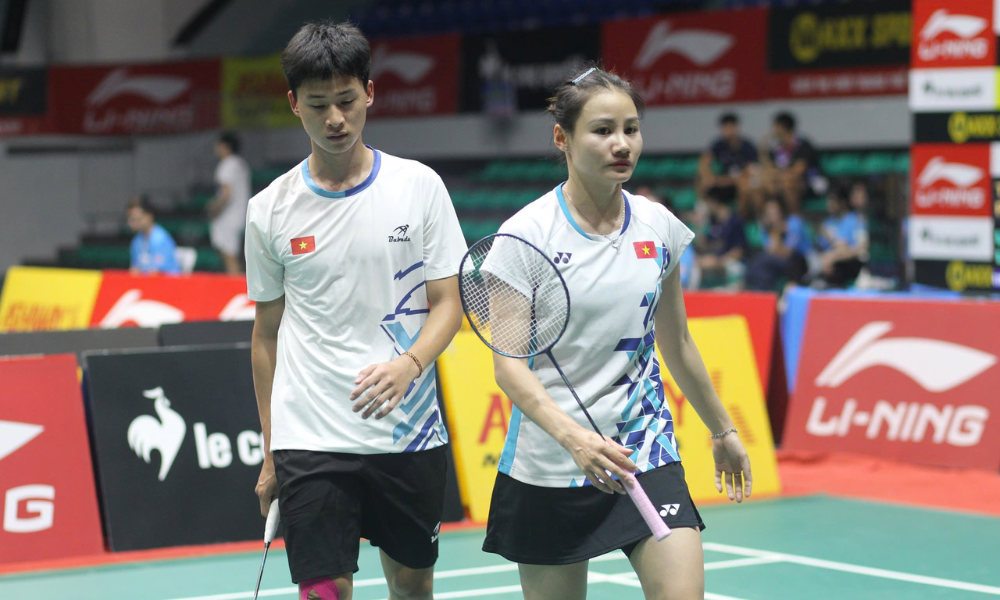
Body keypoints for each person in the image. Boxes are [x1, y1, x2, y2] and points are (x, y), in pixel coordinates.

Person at [481, 66, 752, 600]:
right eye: (603, 130)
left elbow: (677, 342)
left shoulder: (658, 226)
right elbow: (508, 367)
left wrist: (722, 430)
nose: (622, 144)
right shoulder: (524, 236)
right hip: (553, 462)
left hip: (643, 448)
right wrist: (574, 439)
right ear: (562, 138)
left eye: (631, 129)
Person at [246, 22, 468, 600]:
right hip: (310, 434)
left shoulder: (419, 187)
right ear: (294, 104)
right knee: (326, 592)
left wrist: (409, 365)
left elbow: (449, 304)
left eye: (346, 100)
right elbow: (266, 335)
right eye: (318, 104)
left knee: (412, 588)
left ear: (370, 93)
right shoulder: (269, 210)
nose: (335, 119)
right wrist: (271, 450)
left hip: (407, 431)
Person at [698, 112, 762, 217]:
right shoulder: (718, 145)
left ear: (736, 128)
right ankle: (703, 213)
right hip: (724, 183)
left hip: (739, 182)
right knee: (702, 182)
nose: (727, 131)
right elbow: (704, 162)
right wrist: (709, 176)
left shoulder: (747, 147)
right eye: (725, 128)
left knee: (744, 186)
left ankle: (742, 218)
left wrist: (723, 180)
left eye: (730, 127)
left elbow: (750, 171)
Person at [760, 112, 825, 214]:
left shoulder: (803, 145)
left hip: (810, 183)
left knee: (787, 183)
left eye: (775, 127)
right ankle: (763, 219)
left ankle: (794, 217)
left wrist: (777, 177)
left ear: (782, 128)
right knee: (764, 185)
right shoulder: (777, 147)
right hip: (782, 181)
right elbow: (768, 167)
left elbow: (798, 171)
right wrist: (763, 144)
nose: (773, 131)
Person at [207, 131, 251, 275]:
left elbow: (226, 193)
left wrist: (214, 208)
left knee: (229, 256)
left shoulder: (227, 165)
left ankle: (234, 285)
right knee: (235, 256)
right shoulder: (241, 163)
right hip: (240, 214)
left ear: (225, 146)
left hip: (228, 216)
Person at [745, 196, 810, 291]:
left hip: (800, 261)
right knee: (763, 270)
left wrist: (779, 232)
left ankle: (745, 284)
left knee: (761, 260)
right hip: (779, 263)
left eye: (774, 210)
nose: (772, 214)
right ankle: (765, 294)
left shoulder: (794, 222)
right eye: (768, 212)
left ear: (781, 210)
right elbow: (771, 251)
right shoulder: (766, 227)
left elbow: (787, 252)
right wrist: (775, 231)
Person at [817, 185, 867, 288]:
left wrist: (832, 257)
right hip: (829, 265)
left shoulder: (854, 220)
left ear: (842, 203)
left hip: (850, 263)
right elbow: (821, 248)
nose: (830, 205)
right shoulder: (827, 223)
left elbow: (860, 249)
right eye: (829, 201)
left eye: (833, 202)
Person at [695, 187, 745, 287]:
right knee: (694, 265)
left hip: (730, 262)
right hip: (714, 261)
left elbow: (739, 251)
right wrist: (700, 223)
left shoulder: (735, 221)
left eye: (707, 203)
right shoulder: (714, 222)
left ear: (714, 202)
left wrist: (718, 261)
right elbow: (702, 245)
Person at [127, 195, 180, 275]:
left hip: (167, 281)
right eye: (131, 219)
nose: (131, 223)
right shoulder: (136, 241)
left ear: (149, 216)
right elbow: (134, 269)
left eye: (137, 219)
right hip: (145, 281)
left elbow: (156, 273)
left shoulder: (160, 239)